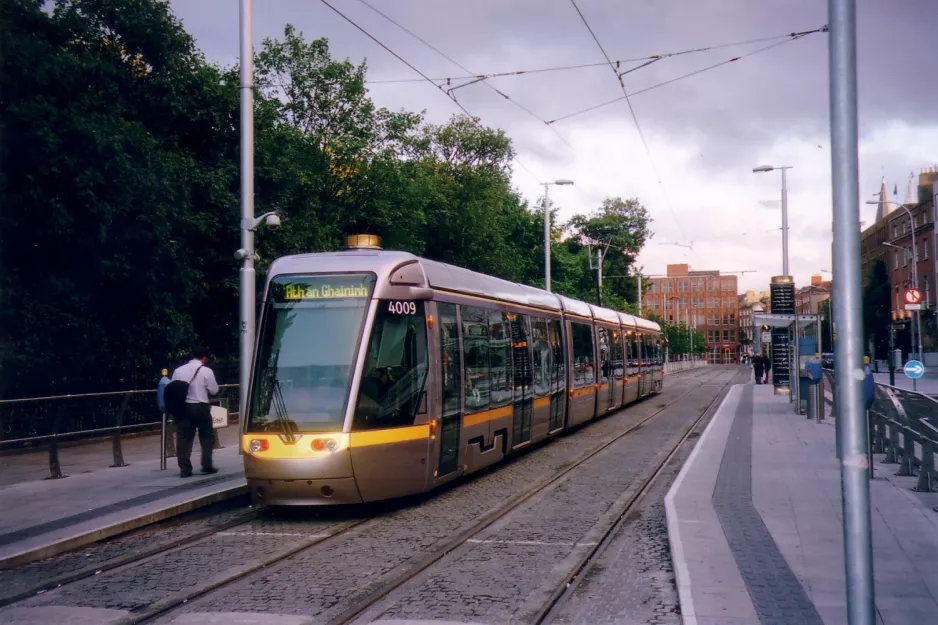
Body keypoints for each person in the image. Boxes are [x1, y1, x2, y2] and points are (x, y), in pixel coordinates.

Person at [171, 348, 219, 477]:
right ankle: (206, 465)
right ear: (204, 358)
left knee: (183, 437)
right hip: (201, 406)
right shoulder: (206, 371)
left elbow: (173, 389)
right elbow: (214, 390)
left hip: (184, 407)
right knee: (206, 436)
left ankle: (185, 469)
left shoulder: (178, 371)